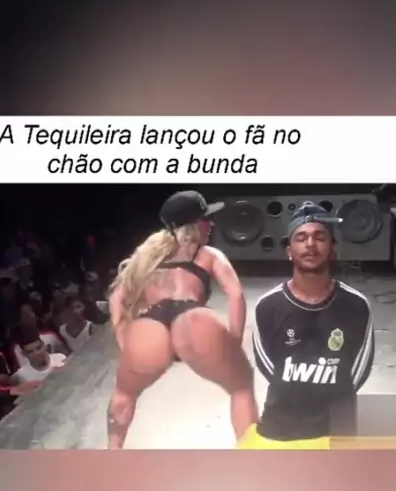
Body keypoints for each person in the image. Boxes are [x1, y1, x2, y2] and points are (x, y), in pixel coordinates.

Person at [106, 190, 258, 449]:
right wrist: (233, 342)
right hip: (191, 320)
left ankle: (112, 453)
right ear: (192, 225)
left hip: (150, 325)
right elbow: (235, 294)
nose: (212, 224)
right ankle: (252, 454)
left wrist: (125, 342)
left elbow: (117, 298)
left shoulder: (147, 256)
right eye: (206, 219)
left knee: (124, 393)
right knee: (241, 385)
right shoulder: (208, 254)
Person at [240, 201, 375, 449]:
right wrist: (297, 392)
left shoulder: (357, 305)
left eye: (320, 237)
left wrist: (327, 397)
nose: (310, 244)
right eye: (301, 238)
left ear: (332, 248)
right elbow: (269, 367)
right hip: (280, 427)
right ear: (289, 250)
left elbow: (359, 371)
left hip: (336, 429)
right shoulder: (267, 306)